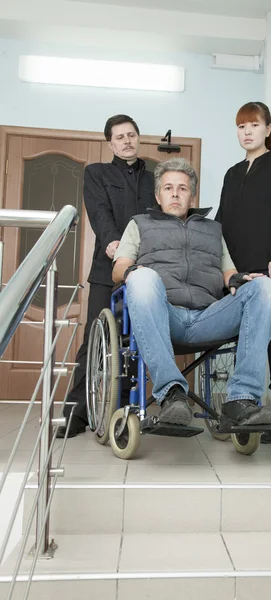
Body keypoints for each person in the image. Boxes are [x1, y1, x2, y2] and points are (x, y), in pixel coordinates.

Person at [112, 157, 271, 427]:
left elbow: (228, 273)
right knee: (140, 277)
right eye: (168, 188)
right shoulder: (139, 223)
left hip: (208, 317)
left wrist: (236, 278)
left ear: (192, 197)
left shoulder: (213, 229)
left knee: (266, 288)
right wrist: (136, 274)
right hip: (163, 316)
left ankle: (242, 400)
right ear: (158, 195)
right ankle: (171, 393)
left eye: (182, 188)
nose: (175, 194)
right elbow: (119, 269)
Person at [57, 114, 156, 438]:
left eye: (131, 135)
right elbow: (99, 212)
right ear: (110, 143)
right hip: (107, 269)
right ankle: (76, 414)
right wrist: (115, 244)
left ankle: (124, 414)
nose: (127, 141)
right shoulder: (97, 173)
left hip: (145, 270)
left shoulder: (154, 177)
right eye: (120, 137)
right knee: (95, 339)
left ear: (138, 138)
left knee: (134, 341)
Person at [215, 102, 271, 443]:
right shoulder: (232, 174)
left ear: (267, 128)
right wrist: (223, 268)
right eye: (241, 126)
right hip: (239, 270)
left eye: (253, 125)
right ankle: (244, 408)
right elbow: (221, 224)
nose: (246, 131)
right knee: (243, 338)